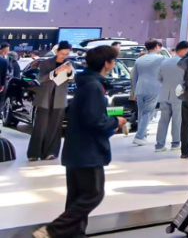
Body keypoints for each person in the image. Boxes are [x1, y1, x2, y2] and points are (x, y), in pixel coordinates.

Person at [32, 46, 126, 238]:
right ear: (106, 63)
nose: (114, 64)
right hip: (88, 151)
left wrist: (111, 121)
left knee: (77, 197)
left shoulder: (86, 83)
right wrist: (116, 121)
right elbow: (94, 120)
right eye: (113, 60)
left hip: (77, 149)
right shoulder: (93, 86)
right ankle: (52, 230)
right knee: (93, 194)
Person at [28, 42, 74, 161]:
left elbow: (73, 79)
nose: (64, 56)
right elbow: (41, 78)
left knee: (55, 126)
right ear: (57, 51)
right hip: (45, 97)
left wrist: (69, 72)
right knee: (40, 126)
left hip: (60, 99)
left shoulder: (69, 63)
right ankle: (34, 153)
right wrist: (56, 71)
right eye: (62, 53)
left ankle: (51, 152)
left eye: (67, 54)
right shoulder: (46, 63)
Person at [155, 41, 188, 152]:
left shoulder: (165, 62)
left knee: (163, 120)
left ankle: (159, 145)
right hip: (179, 95)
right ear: (184, 50)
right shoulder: (185, 63)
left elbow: (159, 78)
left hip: (164, 94)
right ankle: (175, 143)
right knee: (177, 120)